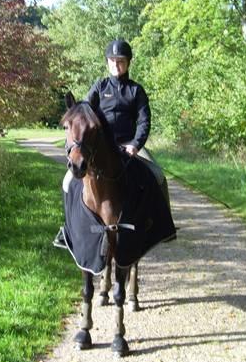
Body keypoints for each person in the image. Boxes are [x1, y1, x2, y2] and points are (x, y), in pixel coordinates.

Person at [53, 38, 170, 247]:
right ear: (107, 62)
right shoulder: (100, 86)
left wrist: (135, 144)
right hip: (101, 147)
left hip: (129, 146)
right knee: (68, 181)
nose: (116, 65)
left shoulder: (136, 91)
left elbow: (144, 121)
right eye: (112, 61)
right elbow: (85, 114)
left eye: (121, 61)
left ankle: (162, 225)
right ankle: (67, 230)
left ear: (128, 63)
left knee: (158, 176)